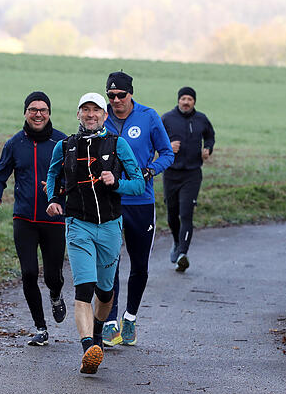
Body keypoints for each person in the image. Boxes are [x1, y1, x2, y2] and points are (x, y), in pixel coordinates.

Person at [45, 92, 145, 374]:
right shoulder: (65, 146)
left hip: (111, 227)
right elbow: (53, 175)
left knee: (105, 292)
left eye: (96, 110)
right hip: (78, 225)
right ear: (78, 114)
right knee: (84, 288)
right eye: (85, 110)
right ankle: (88, 347)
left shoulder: (117, 144)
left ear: (105, 115)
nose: (90, 115)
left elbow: (138, 184)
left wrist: (116, 183)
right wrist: (53, 200)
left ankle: (98, 332)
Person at [0, 91, 68, 346]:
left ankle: (56, 295)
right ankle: (40, 327)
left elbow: (73, 177)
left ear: (49, 113)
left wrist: (58, 190)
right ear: (25, 113)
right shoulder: (15, 144)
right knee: (29, 273)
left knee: (52, 276)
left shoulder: (62, 142)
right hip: (24, 218)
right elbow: (0, 174)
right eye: (33, 109)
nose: (38, 114)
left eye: (43, 110)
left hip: (54, 217)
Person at [101, 71, 174, 347]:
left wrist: (149, 171)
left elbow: (167, 153)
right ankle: (110, 322)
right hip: (109, 202)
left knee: (139, 265)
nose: (116, 100)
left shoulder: (149, 117)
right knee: (109, 264)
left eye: (121, 95)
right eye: (112, 96)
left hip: (140, 202)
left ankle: (130, 317)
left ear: (131, 93)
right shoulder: (102, 117)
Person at [161, 86, 216, 272]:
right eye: (183, 98)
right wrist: (168, 146)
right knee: (172, 214)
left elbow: (210, 136)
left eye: (189, 99)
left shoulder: (201, 119)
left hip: (192, 174)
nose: (186, 102)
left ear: (194, 102)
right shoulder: (167, 119)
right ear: (178, 100)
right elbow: (155, 140)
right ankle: (177, 242)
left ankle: (183, 254)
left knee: (186, 214)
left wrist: (208, 148)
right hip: (171, 173)